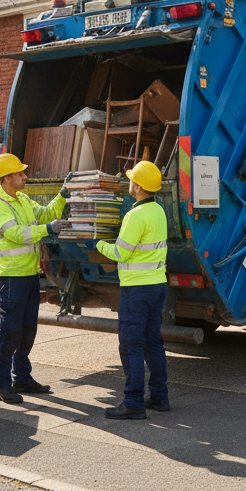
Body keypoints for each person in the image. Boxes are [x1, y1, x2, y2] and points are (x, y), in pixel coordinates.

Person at [0, 152, 69, 404]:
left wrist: (63, 195)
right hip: (11, 279)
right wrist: (47, 229)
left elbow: (45, 214)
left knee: (27, 330)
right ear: (6, 178)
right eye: (20, 173)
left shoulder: (22, 199)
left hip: (30, 275)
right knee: (10, 331)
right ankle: (2, 385)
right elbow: (17, 234)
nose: (25, 176)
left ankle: (21, 377)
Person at [94, 161, 170, 419]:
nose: (129, 183)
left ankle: (134, 402)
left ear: (137, 186)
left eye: (131, 180)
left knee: (130, 346)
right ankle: (159, 397)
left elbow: (120, 252)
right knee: (153, 342)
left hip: (136, 289)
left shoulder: (135, 215)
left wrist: (99, 244)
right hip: (157, 285)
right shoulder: (159, 211)